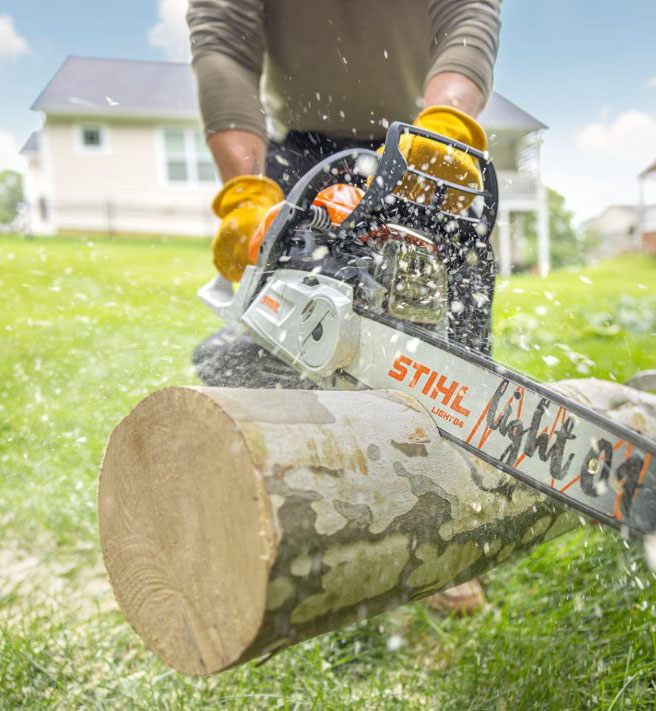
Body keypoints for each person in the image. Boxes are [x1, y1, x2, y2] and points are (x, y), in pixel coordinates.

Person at [187, 0, 502, 614]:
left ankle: (452, 514)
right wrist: (245, 196)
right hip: (300, 151)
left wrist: (445, 130)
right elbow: (224, 39)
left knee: (452, 332)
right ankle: (292, 516)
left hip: (420, 137)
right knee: (271, 343)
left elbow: (468, 16)